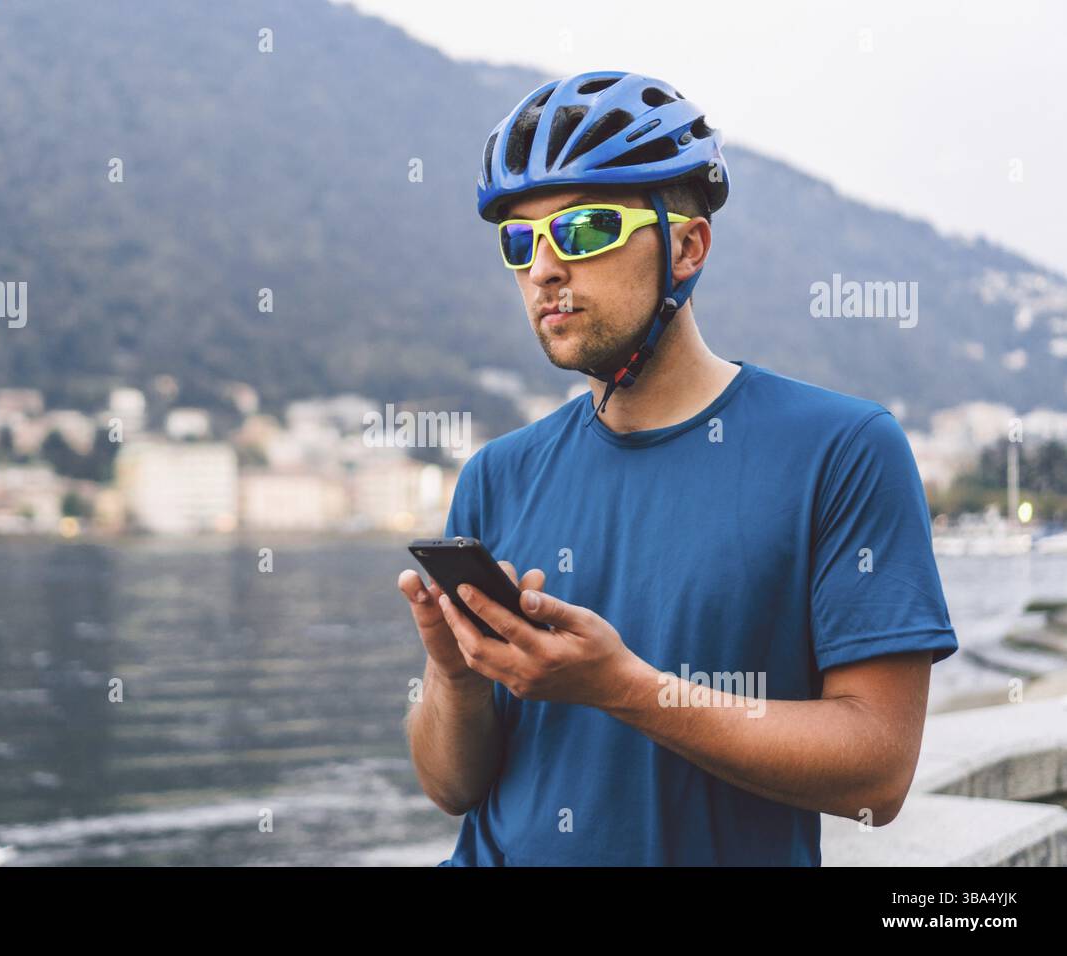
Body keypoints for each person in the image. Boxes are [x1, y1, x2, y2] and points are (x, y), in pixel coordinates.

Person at [396, 70, 958, 865]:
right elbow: (450, 788)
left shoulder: (842, 449)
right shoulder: (497, 474)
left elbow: (877, 771)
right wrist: (454, 679)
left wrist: (623, 687)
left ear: (687, 247)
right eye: (520, 242)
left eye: (584, 229)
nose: (545, 268)